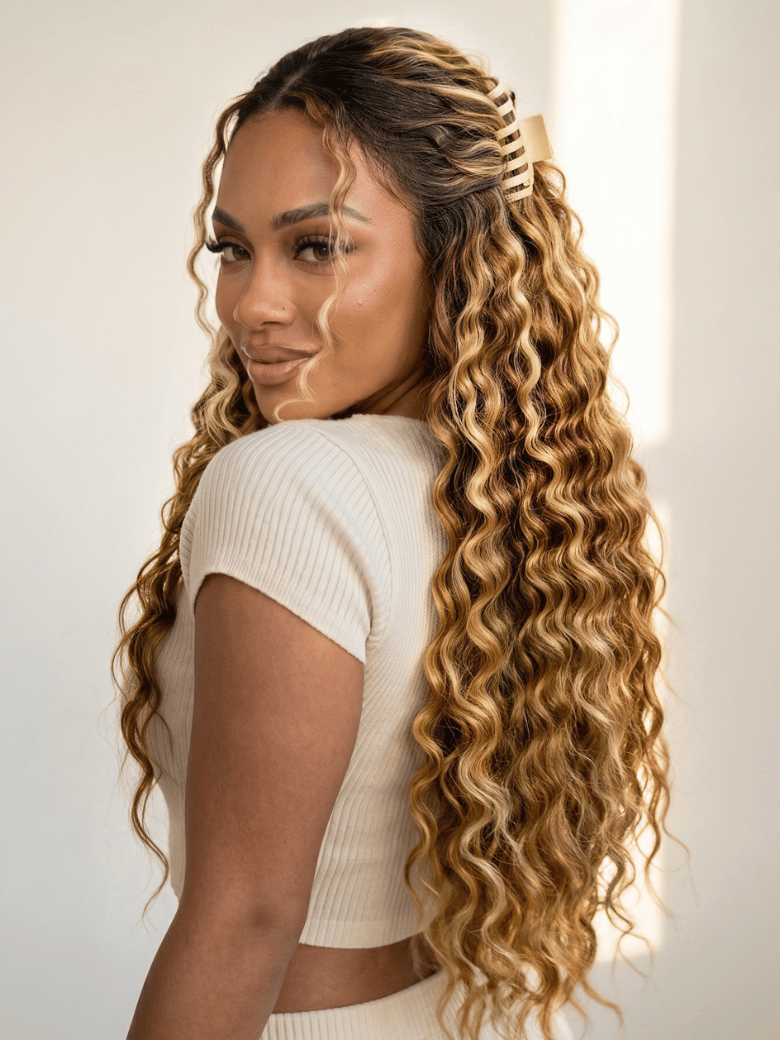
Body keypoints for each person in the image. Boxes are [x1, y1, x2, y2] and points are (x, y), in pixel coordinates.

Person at [113, 25, 676, 1040]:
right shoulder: (525, 506)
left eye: (317, 245)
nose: (254, 304)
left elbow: (244, 918)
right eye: (233, 249)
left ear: (457, 253)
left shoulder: (286, 484)